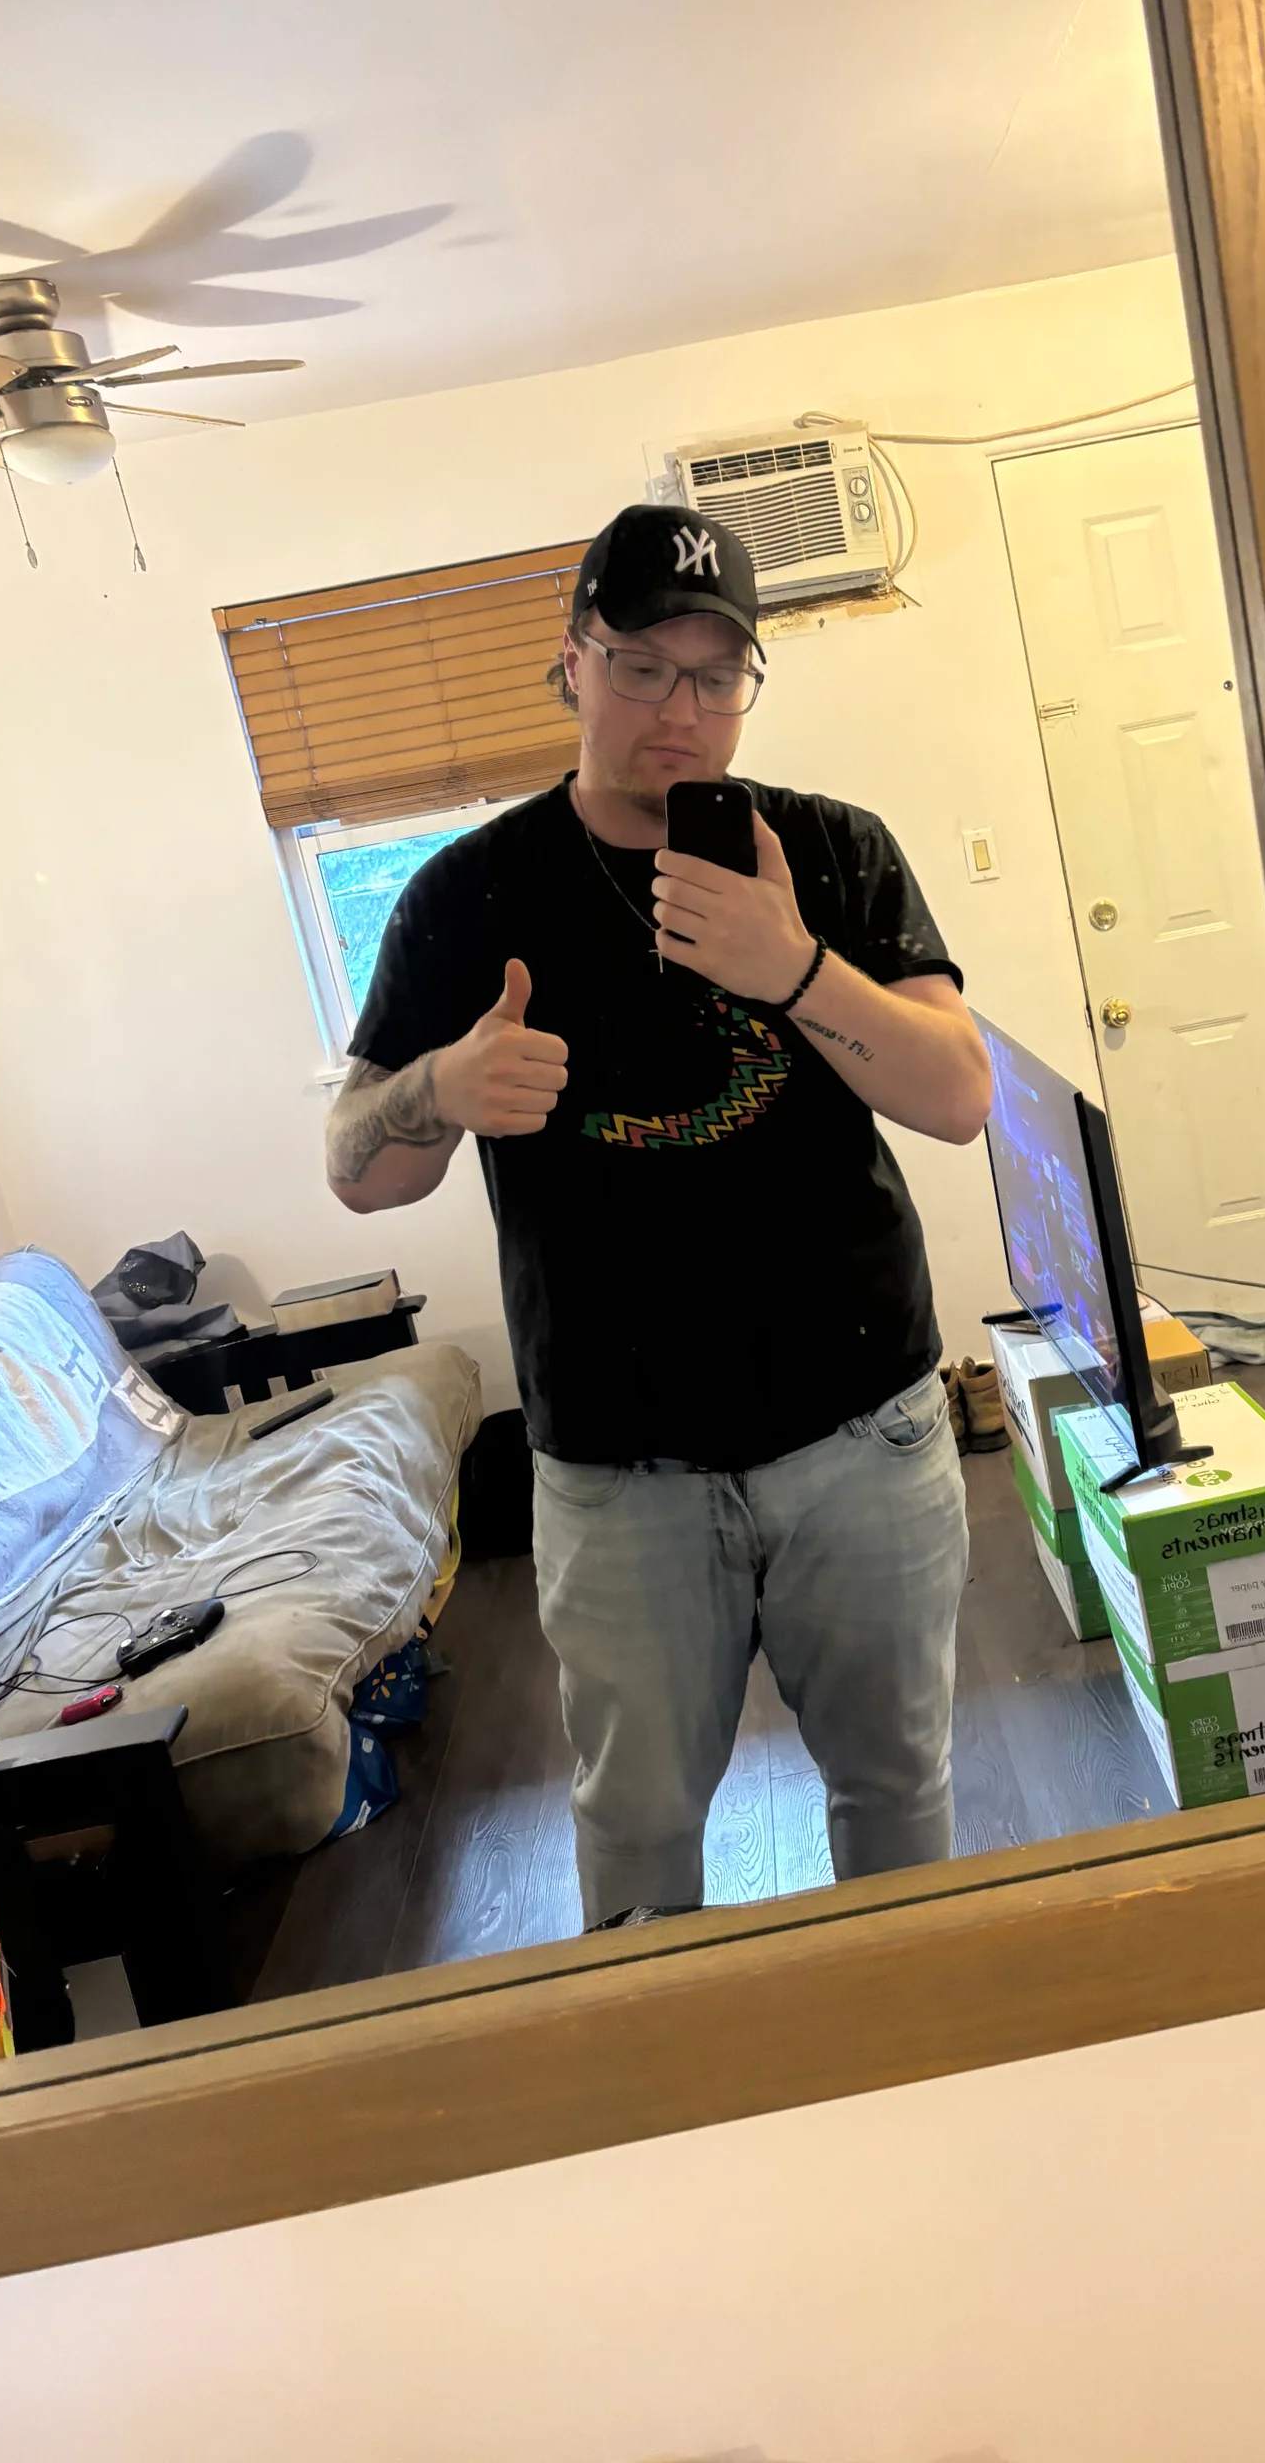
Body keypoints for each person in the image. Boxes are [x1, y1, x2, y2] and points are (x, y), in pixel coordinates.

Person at [326, 502, 992, 1928]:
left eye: (717, 674)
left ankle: (918, 2052)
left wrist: (794, 967)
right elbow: (357, 1166)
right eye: (641, 666)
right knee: (634, 1836)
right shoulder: (466, 895)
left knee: (898, 1789)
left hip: (861, 1436)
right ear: (573, 660)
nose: (681, 710)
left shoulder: (832, 850)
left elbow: (957, 1097)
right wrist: (442, 1083)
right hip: (616, 1472)